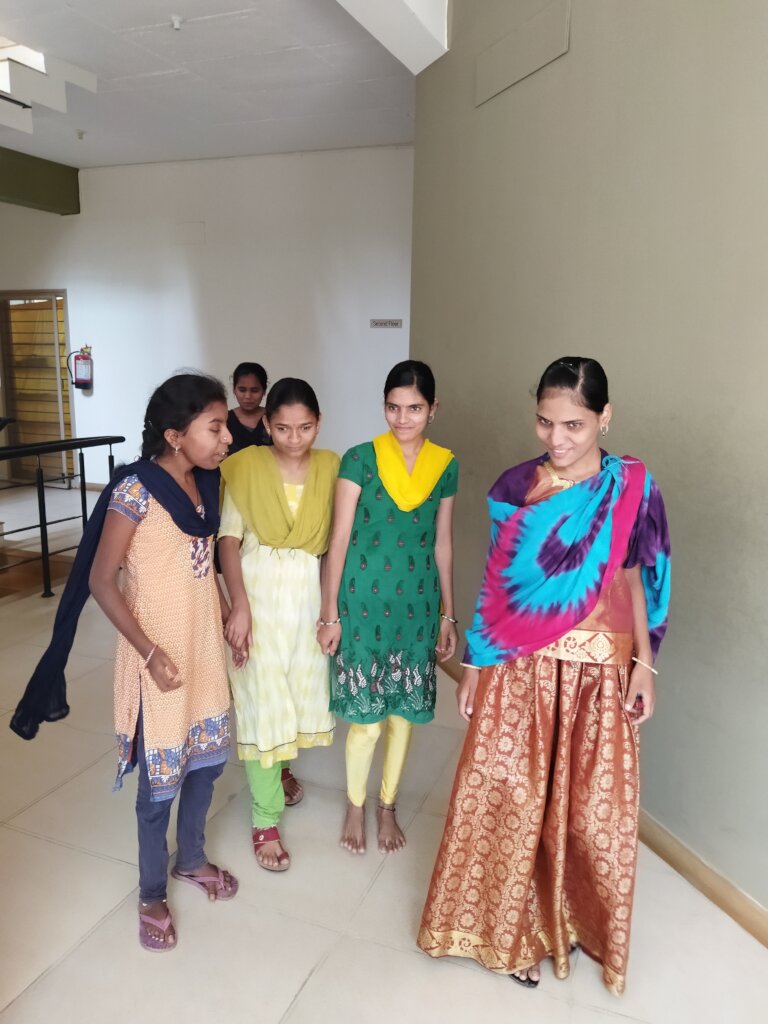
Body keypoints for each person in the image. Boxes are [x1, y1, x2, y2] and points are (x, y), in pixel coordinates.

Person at [417, 357, 671, 996]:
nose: (556, 439)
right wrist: (474, 664)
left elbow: (642, 577)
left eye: (575, 425)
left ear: (605, 417)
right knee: (510, 794)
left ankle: (572, 921)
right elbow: (498, 587)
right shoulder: (516, 487)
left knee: (589, 811)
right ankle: (512, 932)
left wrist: (646, 664)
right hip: (520, 666)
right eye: (545, 422)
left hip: (599, 671)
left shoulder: (634, 488)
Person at [12, 372, 241, 953]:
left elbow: (206, 561)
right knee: (158, 786)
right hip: (156, 655)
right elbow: (100, 580)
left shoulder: (207, 485)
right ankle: (149, 892)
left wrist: (229, 613)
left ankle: (190, 858)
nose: (226, 439)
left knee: (206, 762)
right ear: (173, 433)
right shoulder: (135, 491)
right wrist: (149, 650)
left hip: (202, 649)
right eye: (214, 428)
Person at [317, 360, 458, 855]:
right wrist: (330, 612)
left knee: (402, 717)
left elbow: (442, 543)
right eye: (394, 408)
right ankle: (356, 803)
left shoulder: (446, 464)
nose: (402, 418)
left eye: (414, 408)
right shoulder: (359, 458)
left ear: (433, 409)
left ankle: (387, 805)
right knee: (367, 719)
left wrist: (448, 612)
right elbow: (338, 540)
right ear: (384, 407)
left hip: (417, 605)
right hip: (363, 601)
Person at [218, 378, 338, 871]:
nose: (294, 438)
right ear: (266, 423)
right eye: (283, 428)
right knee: (263, 701)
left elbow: (335, 545)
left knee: (296, 690)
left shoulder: (333, 469)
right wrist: (238, 606)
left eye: (305, 427)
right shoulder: (245, 468)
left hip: (307, 596)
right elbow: (227, 539)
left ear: (318, 424)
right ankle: (265, 817)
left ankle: (281, 766)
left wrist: (331, 612)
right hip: (260, 596)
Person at [226, 361, 271, 452]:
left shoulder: (273, 418)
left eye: (254, 390)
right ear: (234, 389)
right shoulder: (225, 420)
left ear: (264, 390)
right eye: (242, 390)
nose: (248, 396)